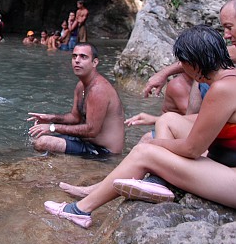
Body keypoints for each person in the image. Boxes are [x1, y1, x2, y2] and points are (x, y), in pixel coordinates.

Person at [46, 25, 236, 229]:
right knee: (168, 119)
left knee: (144, 152)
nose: (181, 68)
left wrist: (156, 145)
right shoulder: (228, 78)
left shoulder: (223, 89)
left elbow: (192, 149)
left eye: (183, 62)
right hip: (226, 162)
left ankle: (80, 210)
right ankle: (159, 181)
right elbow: (197, 124)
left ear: (193, 63)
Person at [27, 43, 125, 156]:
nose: (77, 60)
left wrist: (52, 128)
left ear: (95, 62)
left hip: (104, 152)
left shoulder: (99, 89)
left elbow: (92, 130)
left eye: (83, 57)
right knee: (37, 137)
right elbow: (75, 118)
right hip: (86, 141)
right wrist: (50, 118)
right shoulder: (81, 86)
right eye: (74, 56)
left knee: (43, 142)